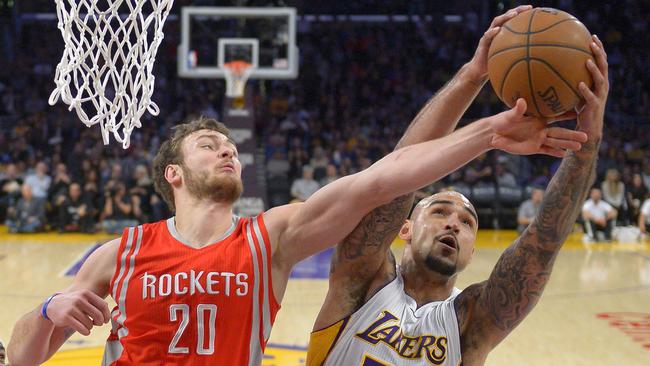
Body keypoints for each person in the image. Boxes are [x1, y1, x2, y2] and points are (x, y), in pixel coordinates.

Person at [7, 16, 588, 366]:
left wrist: (484, 121)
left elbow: (386, 180)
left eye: (229, 143)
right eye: (209, 144)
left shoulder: (272, 237)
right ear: (173, 175)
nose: (227, 148)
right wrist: (50, 309)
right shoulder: (121, 253)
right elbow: (26, 354)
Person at [306, 32, 608, 365]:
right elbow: (396, 174)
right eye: (439, 211)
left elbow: (544, 242)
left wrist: (587, 141)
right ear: (404, 229)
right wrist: (471, 76)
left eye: (467, 222)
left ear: (472, 249)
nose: (453, 222)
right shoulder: (362, 281)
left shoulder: (470, 320)